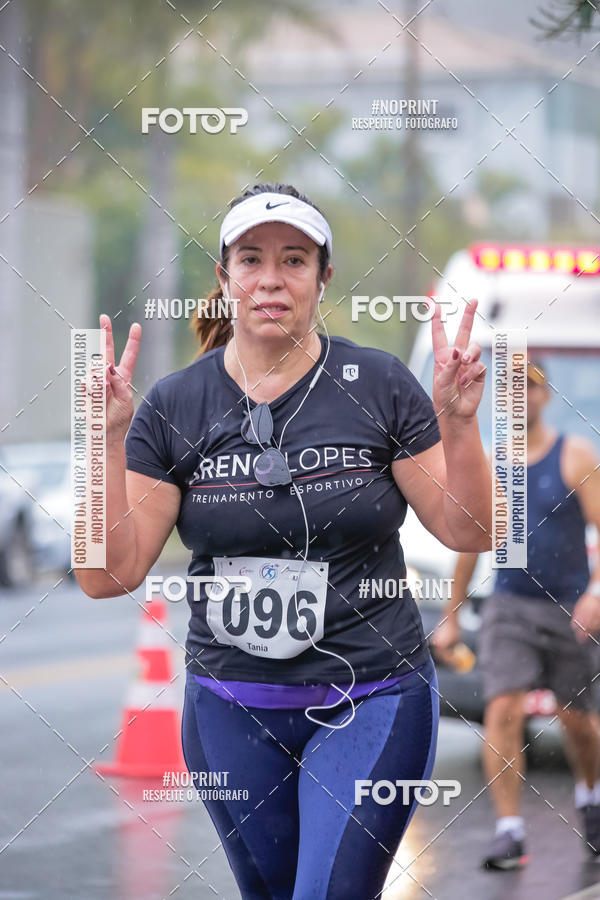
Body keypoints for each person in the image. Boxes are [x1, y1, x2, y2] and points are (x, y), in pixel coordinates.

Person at [76, 182, 492, 899]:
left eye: (294, 260)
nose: (272, 278)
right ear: (225, 276)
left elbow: (470, 529)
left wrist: (457, 425)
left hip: (372, 693)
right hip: (230, 705)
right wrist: (104, 439)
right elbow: (105, 574)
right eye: (252, 259)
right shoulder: (176, 404)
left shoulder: (379, 384)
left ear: (322, 277)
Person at [433, 357, 600, 871]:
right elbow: (469, 542)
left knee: (577, 722)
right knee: (502, 709)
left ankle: (590, 798)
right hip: (509, 606)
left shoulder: (574, 456)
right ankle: (509, 832)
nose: (520, 398)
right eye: (511, 391)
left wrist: (596, 592)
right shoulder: (492, 466)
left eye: (529, 388)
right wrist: (452, 613)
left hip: (569, 607)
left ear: (545, 396)